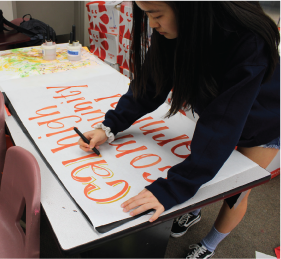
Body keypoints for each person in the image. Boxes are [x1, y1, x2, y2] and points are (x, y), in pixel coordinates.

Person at [78, 0, 281, 258]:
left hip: (263, 120)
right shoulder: (176, 28)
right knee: (205, 168)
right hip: (219, 111)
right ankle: (194, 211)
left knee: (236, 192)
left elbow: (223, 124)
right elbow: (151, 82)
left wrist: (174, 188)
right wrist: (110, 126)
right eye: (147, 14)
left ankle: (209, 245)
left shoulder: (247, 41)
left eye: (157, 14)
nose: (152, 23)